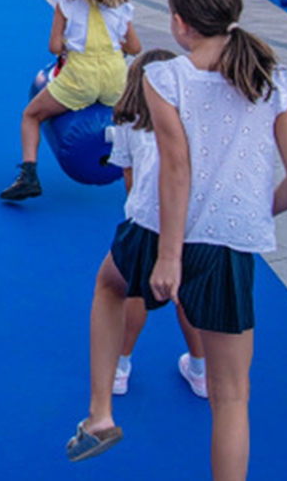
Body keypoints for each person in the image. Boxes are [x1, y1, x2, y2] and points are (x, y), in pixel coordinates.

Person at [65, 0, 287, 476]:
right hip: (229, 242)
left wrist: (170, 256)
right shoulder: (273, 80)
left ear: (179, 24)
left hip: (158, 229)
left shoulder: (165, 76)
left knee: (111, 286)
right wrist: (252, 211)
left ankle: (100, 415)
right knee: (231, 397)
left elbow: (175, 169)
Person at [106, 48, 208, 399]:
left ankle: (120, 366)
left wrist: (136, 210)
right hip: (189, 221)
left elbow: (130, 178)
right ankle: (200, 368)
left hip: (148, 221)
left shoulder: (127, 123)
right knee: (186, 296)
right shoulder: (192, 122)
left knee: (134, 293)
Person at [0, 0, 142, 201]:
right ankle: (140, 184)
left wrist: (69, 43)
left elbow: (54, 47)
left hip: (80, 77)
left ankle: (28, 175)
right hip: (115, 78)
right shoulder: (121, 3)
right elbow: (135, 48)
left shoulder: (66, 1)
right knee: (132, 126)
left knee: (31, 115)